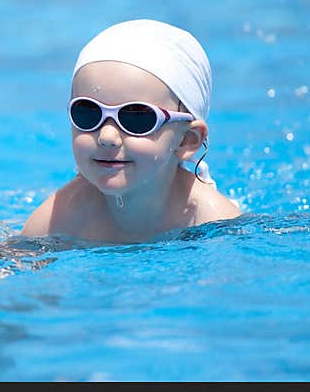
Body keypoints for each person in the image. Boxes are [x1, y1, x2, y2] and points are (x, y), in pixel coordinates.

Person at [21, 19, 241, 242]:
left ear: (186, 140)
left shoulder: (214, 222)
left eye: (136, 117)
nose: (107, 137)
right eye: (88, 113)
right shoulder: (56, 221)